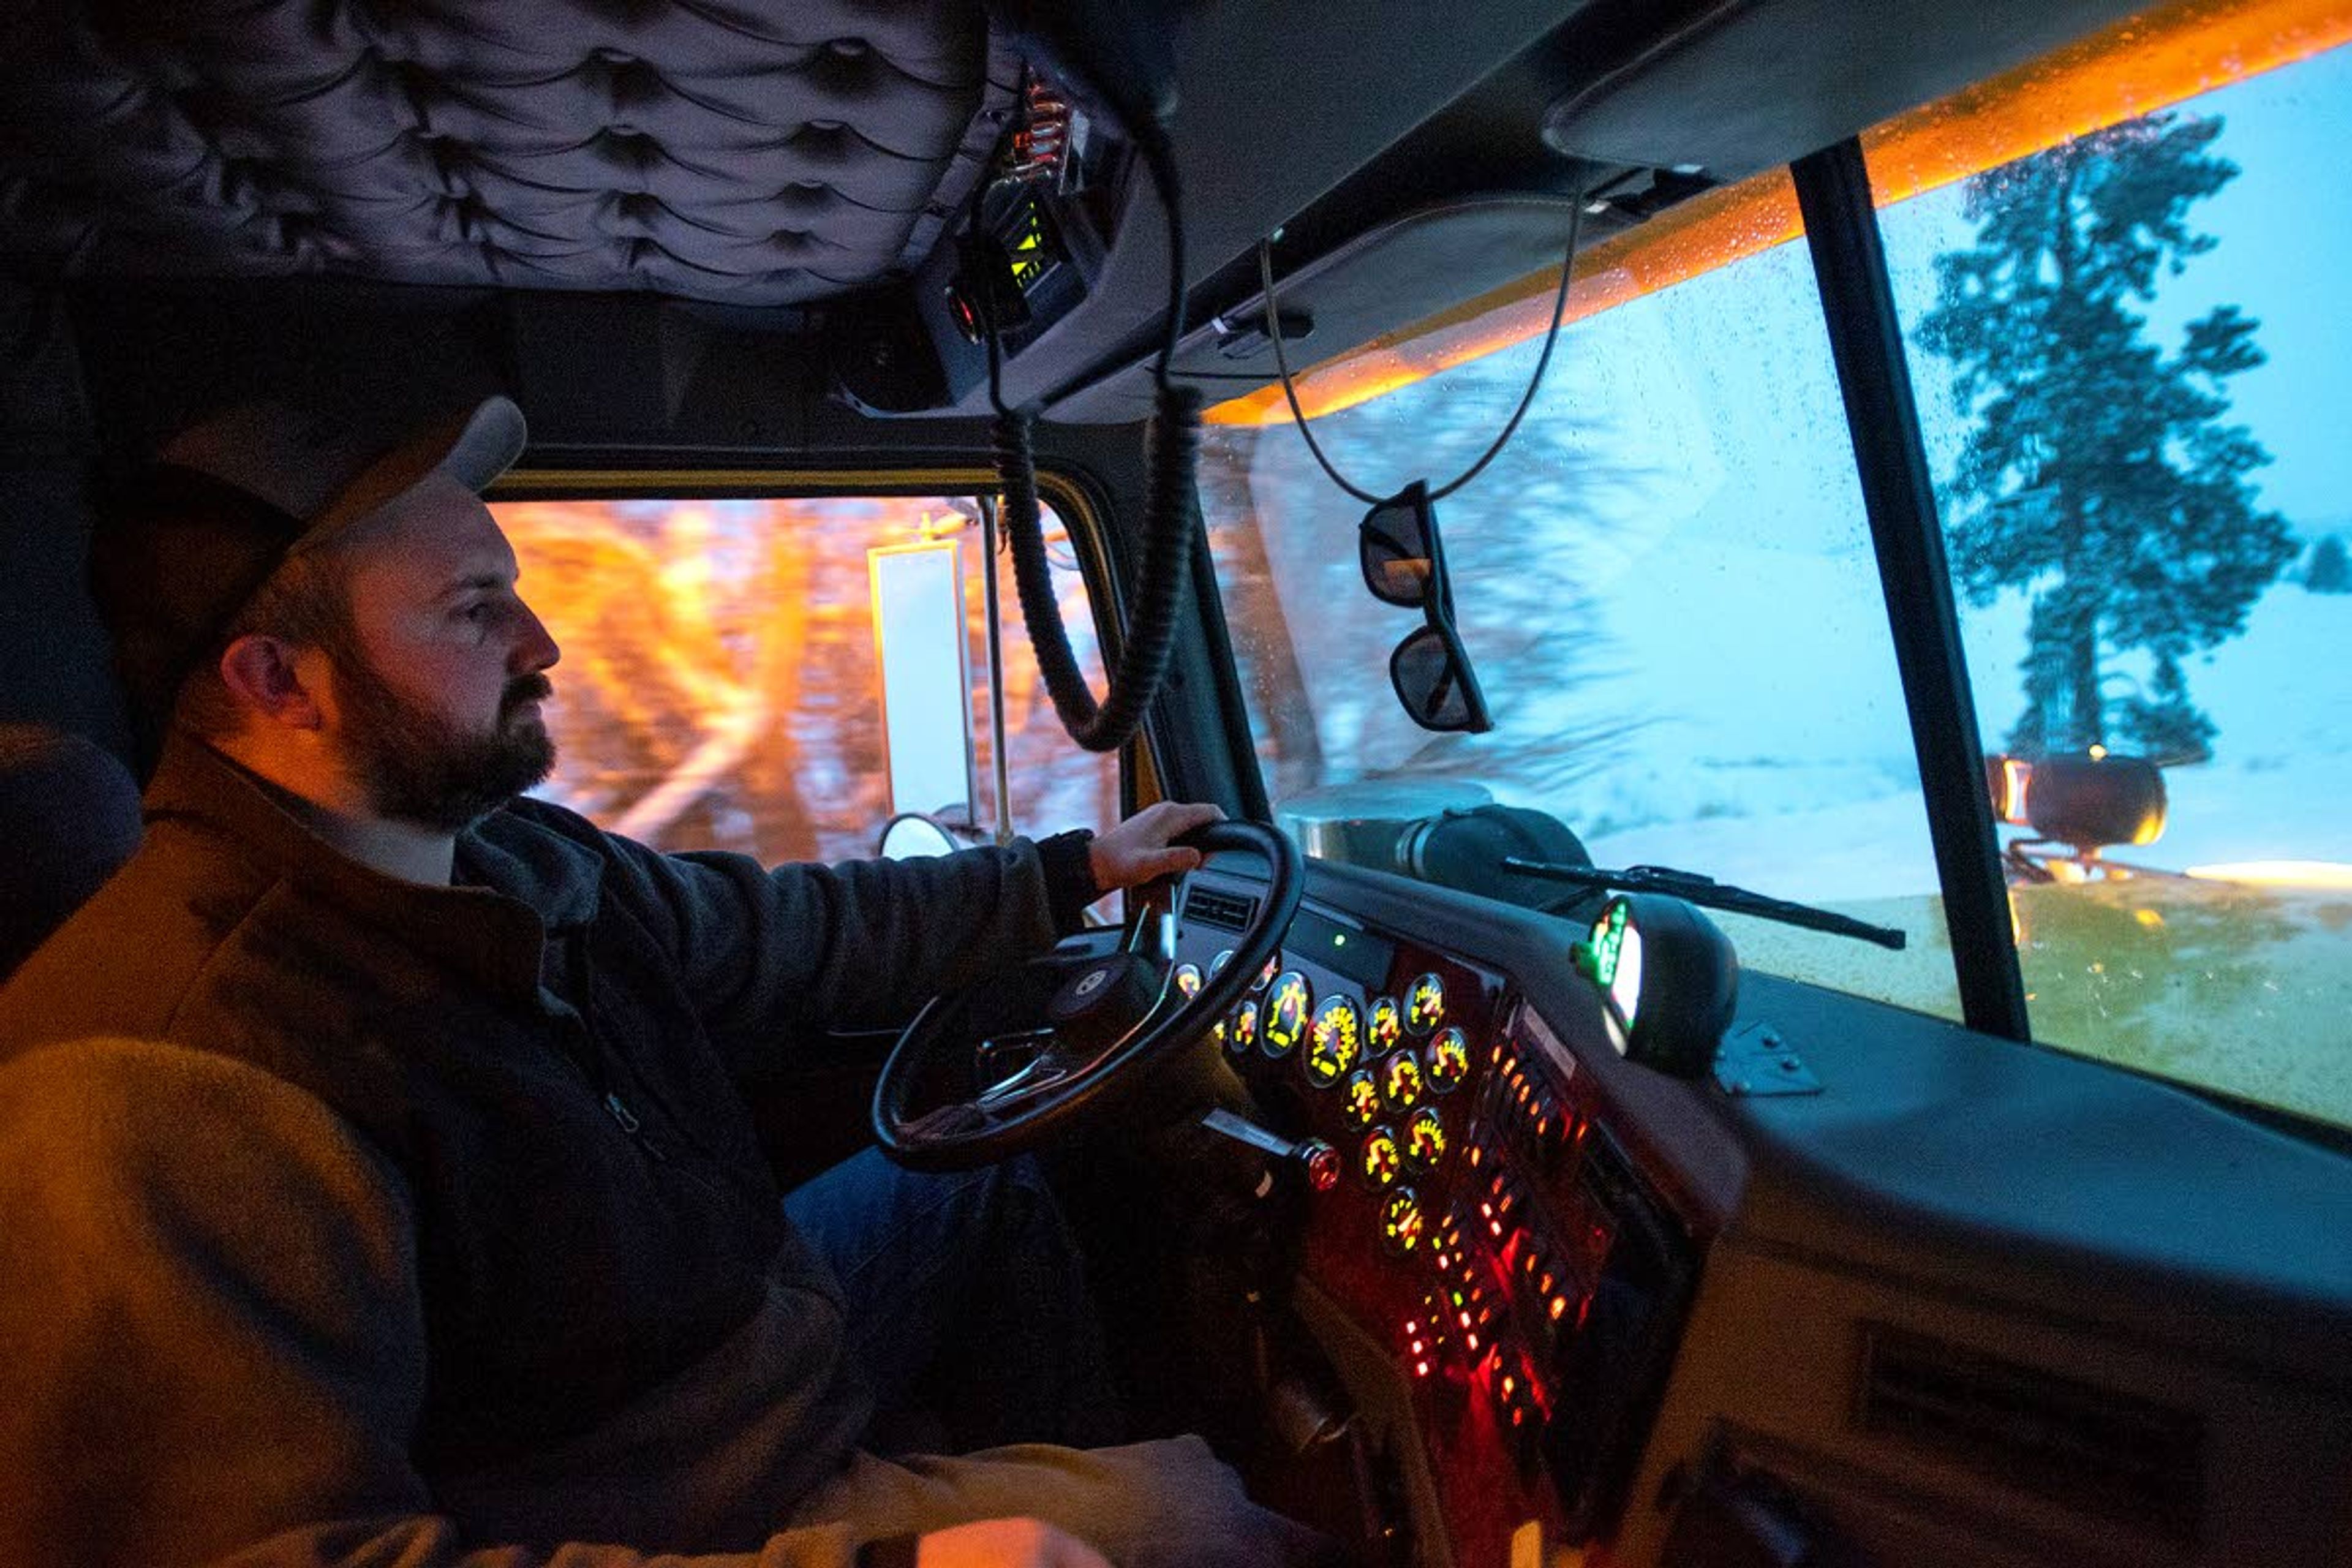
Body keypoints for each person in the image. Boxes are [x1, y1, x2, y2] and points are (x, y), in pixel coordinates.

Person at [0, 396, 1336, 1568]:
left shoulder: (496, 854)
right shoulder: (159, 1078)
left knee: (976, 1169)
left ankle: (1027, 1460)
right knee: (1207, 1519)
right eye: (476, 608)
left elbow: (775, 931)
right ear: (278, 681)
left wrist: (1066, 872)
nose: (542, 642)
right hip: (676, 1502)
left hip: (741, 1356)